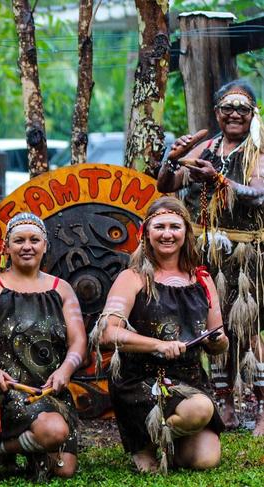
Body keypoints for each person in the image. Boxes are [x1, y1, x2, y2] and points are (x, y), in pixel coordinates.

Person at [91, 197, 229, 473]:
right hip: (141, 382)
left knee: (204, 459)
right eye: (160, 227)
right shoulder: (133, 278)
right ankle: (143, 443)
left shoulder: (202, 279)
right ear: (147, 233)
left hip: (188, 380)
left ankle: (165, 440)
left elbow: (219, 340)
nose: (167, 234)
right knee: (200, 409)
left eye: (175, 227)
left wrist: (217, 341)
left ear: (186, 233)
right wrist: (158, 345)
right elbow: (107, 333)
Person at [157, 79, 264, 435]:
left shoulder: (258, 149)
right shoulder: (207, 147)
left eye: (242, 109)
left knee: (249, 333)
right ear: (217, 113)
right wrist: (171, 159)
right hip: (209, 256)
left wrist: (218, 178)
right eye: (227, 108)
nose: (234, 114)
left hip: (248, 255)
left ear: (252, 114)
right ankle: (226, 406)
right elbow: (167, 185)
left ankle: (262, 412)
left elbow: (259, 195)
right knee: (213, 330)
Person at [0, 212, 87, 480]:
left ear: (45, 245)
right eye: (19, 240)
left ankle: (7, 449)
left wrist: (65, 370)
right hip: (5, 392)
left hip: (48, 391)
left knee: (63, 468)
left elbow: (78, 342)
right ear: (6, 247)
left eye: (34, 240)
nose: (27, 246)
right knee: (53, 432)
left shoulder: (61, 289)